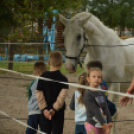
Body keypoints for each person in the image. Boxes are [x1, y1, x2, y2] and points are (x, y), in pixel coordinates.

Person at [36, 51, 69, 134]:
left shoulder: (42, 77)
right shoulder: (64, 79)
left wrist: (44, 109)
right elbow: (62, 97)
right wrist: (54, 109)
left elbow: (39, 94)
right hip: (58, 112)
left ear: (48, 62)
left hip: (45, 113)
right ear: (61, 63)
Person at [83, 67, 113, 134]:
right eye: (94, 76)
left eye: (99, 77)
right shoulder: (88, 94)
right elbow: (95, 111)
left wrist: (109, 121)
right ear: (88, 79)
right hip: (92, 125)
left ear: (101, 80)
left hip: (103, 124)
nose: (96, 78)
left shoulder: (101, 93)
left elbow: (105, 107)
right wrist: (104, 125)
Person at [26, 61, 46, 134]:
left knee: (30, 130)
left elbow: (29, 96)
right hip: (43, 112)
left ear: (35, 73)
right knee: (44, 131)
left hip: (32, 112)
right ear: (46, 71)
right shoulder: (47, 83)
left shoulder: (32, 84)